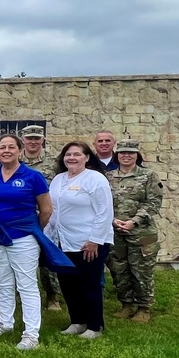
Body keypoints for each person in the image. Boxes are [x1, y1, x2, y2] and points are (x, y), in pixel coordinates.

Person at [0, 135, 58, 350]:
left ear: (20, 151)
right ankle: (5, 323)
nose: (6, 150)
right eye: (2, 147)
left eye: (11, 147)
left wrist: (31, 229)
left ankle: (31, 334)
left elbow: (46, 209)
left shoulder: (33, 176)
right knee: (3, 281)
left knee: (26, 285)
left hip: (23, 237)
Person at [45, 141, 114, 339]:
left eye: (77, 154)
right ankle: (77, 321)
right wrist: (49, 237)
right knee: (68, 283)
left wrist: (95, 240)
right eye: (68, 154)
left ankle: (94, 326)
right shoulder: (58, 179)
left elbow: (105, 212)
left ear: (87, 157)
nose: (72, 158)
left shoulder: (95, 179)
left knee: (89, 283)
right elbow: (53, 210)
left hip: (88, 242)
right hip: (62, 241)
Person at [106, 140, 163, 323]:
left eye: (131, 153)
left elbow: (153, 202)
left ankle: (143, 307)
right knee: (119, 269)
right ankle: (126, 304)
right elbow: (102, 202)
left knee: (141, 270)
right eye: (122, 153)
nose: (126, 156)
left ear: (137, 155)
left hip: (141, 233)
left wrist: (134, 222)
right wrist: (112, 220)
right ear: (116, 156)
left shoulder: (148, 176)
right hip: (115, 231)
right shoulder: (108, 176)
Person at [21, 124, 62, 310]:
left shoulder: (54, 163)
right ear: (23, 140)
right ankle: (21, 295)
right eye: (29, 138)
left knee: (47, 258)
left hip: (47, 216)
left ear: (42, 140)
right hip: (22, 217)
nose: (33, 142)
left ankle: (52, 296)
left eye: (37, 138)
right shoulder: (14, 160)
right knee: (22, 257)